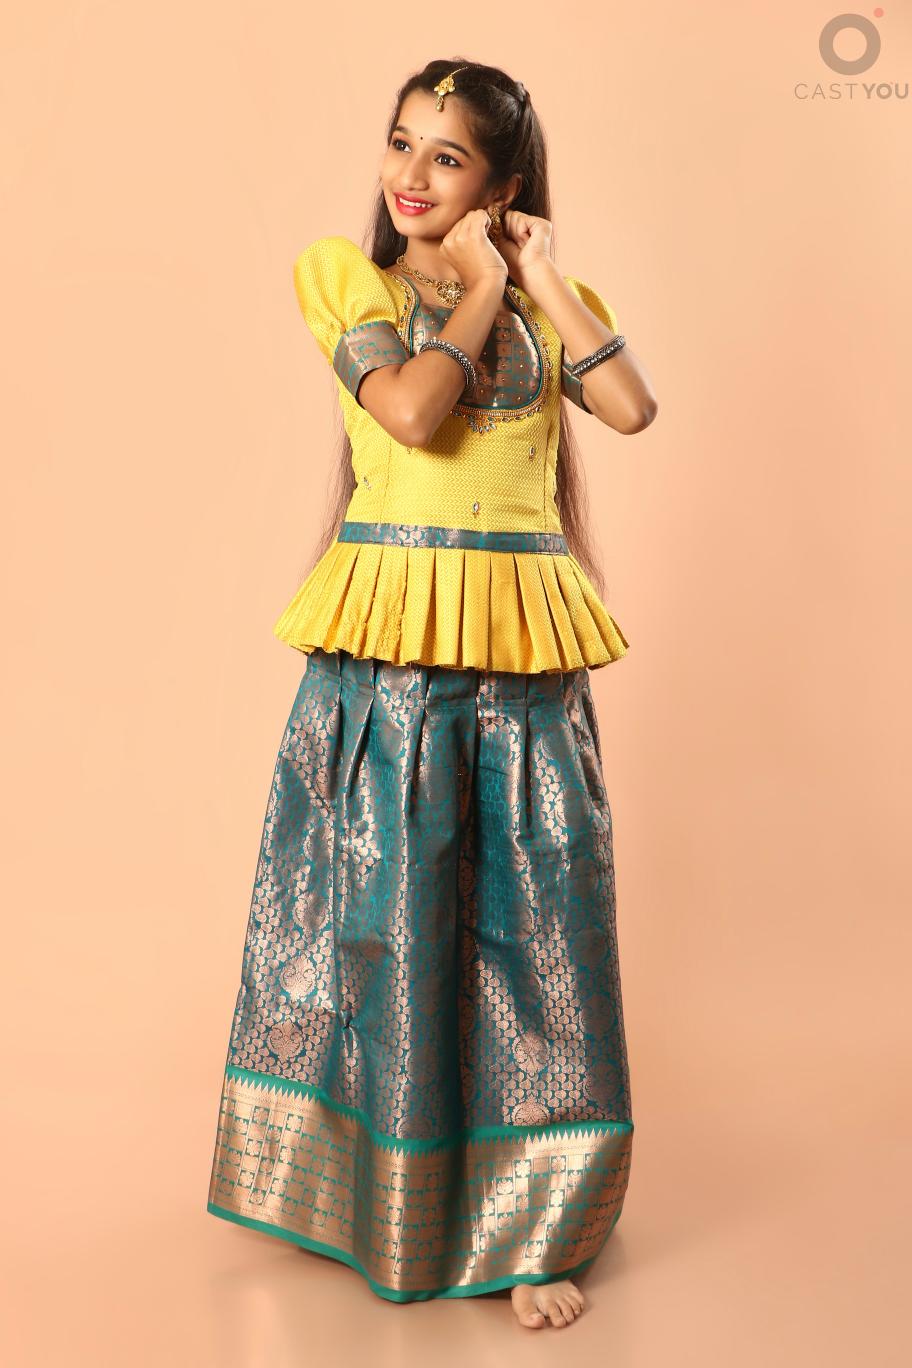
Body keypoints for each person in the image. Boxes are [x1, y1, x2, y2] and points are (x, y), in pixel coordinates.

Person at [206, 58, 658, 1330]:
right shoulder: (351, 283)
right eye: (400, 143)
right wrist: (485, 288)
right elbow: (410, 415)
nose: (408, 175)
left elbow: (631, 406)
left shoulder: (546, 312)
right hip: (388, 665)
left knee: (538, 931)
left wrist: (539, 278)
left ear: (500, 186)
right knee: (389, 928)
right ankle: (380, 1203)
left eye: (445, 156)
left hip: (524, 667)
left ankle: (535, 1227)